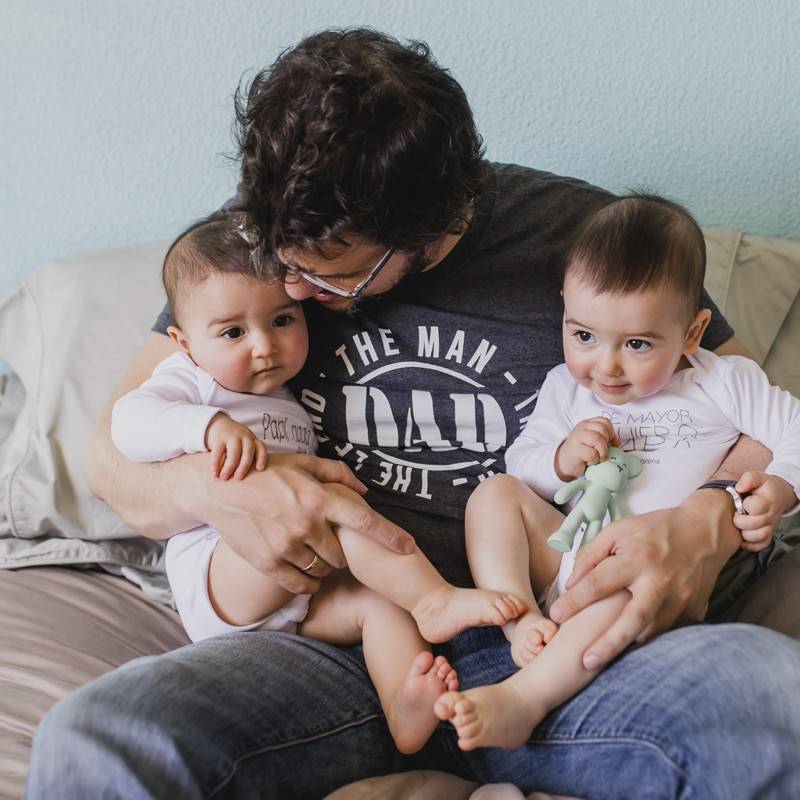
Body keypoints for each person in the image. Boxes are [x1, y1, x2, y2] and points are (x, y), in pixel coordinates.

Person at [29, 28, 800, 800]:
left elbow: (744, 421)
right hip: (346, 635)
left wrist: (712, 516)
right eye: (285, 261)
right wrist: (218, 491)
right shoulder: (255, 251)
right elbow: (112, 457)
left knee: (771, 706)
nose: (292, 291)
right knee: (97, 739)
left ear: (432, 225)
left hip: (555, 631)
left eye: (330, 274)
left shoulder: (597, 248)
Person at [111, 212, 525, 754]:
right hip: (220, 572)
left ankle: (406, 708)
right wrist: (204, 425)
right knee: (329, 507)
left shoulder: (283, 397)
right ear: (182, 341)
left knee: (380, 605)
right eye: (233, 332)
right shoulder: (190, 381)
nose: (264, 346)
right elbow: (128, 424)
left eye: (282, 321)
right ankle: (435, 601)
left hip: (299, 599)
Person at [434, 194, 800, 750]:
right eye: (583, 335)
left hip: (668, 573)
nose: (603, 366)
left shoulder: (723, 381)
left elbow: (794, 429)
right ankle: (517, 618)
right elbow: (523, 464)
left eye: (635, 344)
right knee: (495, 494)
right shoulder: (565, 387)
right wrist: (559, 459)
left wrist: (781, 485)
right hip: (569, 556)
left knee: (631, 575)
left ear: (694, 332)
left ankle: (523, 699)